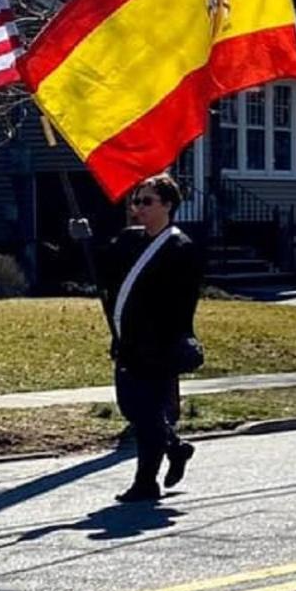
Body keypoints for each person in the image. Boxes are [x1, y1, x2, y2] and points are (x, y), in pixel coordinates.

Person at [78, 173, 204, 504]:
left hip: (158, 344)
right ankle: (175, 448)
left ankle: (145, 483)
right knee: (132, 407)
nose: (138, 207)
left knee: (148, 413)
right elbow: (104, 272)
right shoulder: (129, 240)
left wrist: (167, 340)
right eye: (136, 201)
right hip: (127, 341)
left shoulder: (180, 247)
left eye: (146, 201)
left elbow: (183, 301)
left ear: (168, 205)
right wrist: (84, 241)